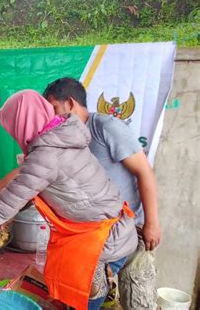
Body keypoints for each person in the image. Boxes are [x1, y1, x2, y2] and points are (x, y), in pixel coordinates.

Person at [0, 90, 138, 310]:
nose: (14, 135)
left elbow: (3, 207)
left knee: (84, 302)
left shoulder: (47, 154)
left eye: (13, 129)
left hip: (103, 241)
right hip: (106, 231)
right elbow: (34, 188)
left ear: (23, 124)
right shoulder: (60, 139)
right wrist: (13, 211)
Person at [43, 77, 161, 308]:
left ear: (70, 103)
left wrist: (151, 223)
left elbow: (144, 172)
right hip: (95, 234)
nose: (52, 117)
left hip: (127, 227)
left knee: (136, 299)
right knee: (89, 291)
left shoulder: (105, 128)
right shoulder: (64, 137)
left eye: (54, 108)